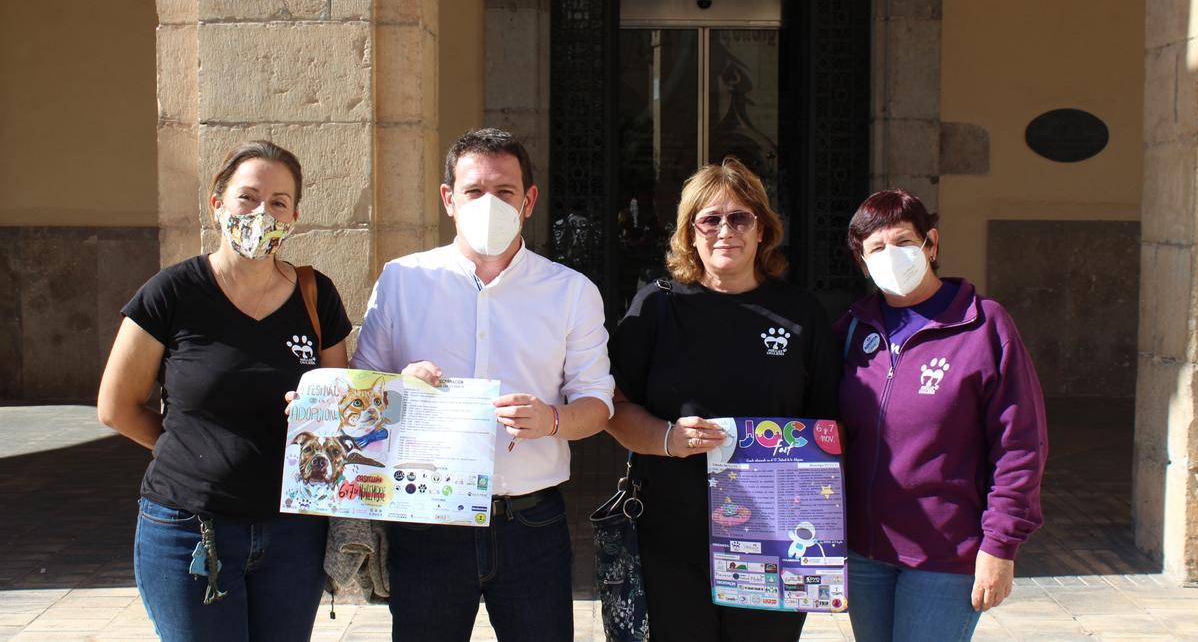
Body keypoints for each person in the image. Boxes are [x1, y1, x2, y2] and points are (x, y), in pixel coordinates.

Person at [351, 127, 615, 641]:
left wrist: (552, 419)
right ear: (449, 199)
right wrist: (399, 385)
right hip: (428, 524)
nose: (488, 203)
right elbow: (364, 393)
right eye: (474, 191)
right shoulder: (403, 280)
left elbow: (598, 404)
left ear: (529, 200)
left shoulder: (570, 292)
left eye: (505, 192)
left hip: (531, 523)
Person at [97, 141, 352, 641]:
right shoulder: (171, 293)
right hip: (189, 530)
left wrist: (319, 413)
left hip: (292, 535)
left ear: (294, 216)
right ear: (217, 204)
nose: (262, 213)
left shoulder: (316, 295)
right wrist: (192, 453)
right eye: (248, 197)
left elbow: (340, 406)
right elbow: (117, 407)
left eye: (279, 202)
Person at [606, 157, 839, 642]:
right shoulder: (656, 305)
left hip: (777, 535)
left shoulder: (801, 312)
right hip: (673, 532)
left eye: (740, 217)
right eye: (709, 219)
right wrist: (667, 438)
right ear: (690, 233)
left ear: (762, 230)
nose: (724, 230)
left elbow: (828, 427)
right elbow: (614, 407)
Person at [835, 189, 1048, 641]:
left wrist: (1000, 545)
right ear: (862, 260)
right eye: (876, 248)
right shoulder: (852, 330)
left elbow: (1019, 446)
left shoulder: (984, 326)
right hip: (864, 552)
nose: (891, 256)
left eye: (903, 242)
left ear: (931, 244)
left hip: (946, 555)